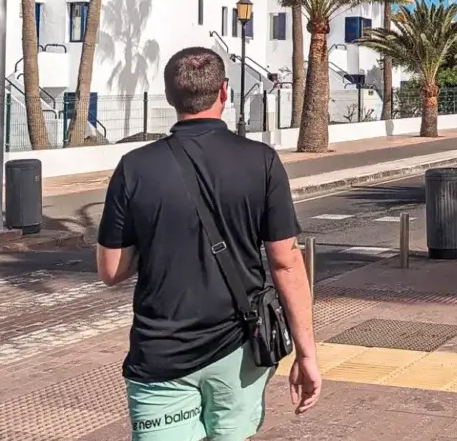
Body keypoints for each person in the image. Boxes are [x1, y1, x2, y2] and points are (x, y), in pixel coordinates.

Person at [96, 47, 321, 440]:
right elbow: (286, 263)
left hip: (161, 353)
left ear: (169, 97)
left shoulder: (135, 167)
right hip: (239, 349)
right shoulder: (262, 161)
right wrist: (306, 354)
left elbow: (111, 270)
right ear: (224, 91)